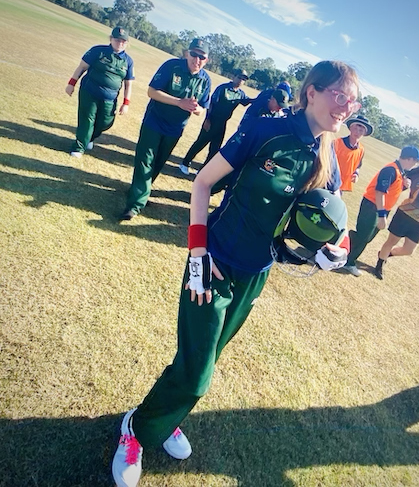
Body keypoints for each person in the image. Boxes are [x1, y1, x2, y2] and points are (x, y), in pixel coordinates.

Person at [111, 60, 361, 487]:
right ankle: (134, 431)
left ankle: (164, 416)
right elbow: (202, 184)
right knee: (197, 377)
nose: (346, 106)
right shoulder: (267, 130)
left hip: (256, 274)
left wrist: (327, 251)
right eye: (339, 94)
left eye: (352, 99)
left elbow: (327, 217)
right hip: (214, 262)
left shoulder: (329, 156)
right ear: (312, 92)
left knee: (201, 358)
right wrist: (196, 254)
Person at [119, 38, 211, 220]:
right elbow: (152, 92)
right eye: (194, 54)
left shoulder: (205, 80)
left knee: (158, 163)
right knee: (145, 160)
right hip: (155, 120)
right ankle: (135, 205)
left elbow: (202, 108)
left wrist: (195, 108)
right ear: (187, 53)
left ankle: (139, 190)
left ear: (207, 60)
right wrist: (179, 102)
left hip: (175, 128)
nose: (197, 60)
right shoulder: (172, 66)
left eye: (202, 57)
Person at [343, 146, 419, 277]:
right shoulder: (391, 170)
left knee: (366, 236)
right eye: (415, 161)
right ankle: (348, 261)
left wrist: (403, 186)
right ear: (409, 159)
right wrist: (381, 215)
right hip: (373, 206)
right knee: (364, 236)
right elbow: (379, 192)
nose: (416, 164)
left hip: (380, 208)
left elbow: (391, 190)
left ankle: (345, 250)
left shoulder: (399, 171)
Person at [65, 27, 134, 158]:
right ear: (111, 39)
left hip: (110, 98)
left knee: (105, 122)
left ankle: (90, 138)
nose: (120, 43)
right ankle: (79, 148)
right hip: (89, 91)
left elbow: (128, 84)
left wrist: (126, 103)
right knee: (87, 120)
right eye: (117, 40)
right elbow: (82, 67)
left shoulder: (128, 61)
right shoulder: (98, 51)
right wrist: (71, 84)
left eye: (123, 41)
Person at [178, 69, 252, 175]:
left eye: (243, 79)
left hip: (222, 124)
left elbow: (247, 101)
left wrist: (263, 98)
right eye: (239, 77)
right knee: (200, 143)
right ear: (234, 77)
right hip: (212, 120)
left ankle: (203, 170)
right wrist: (207, 119)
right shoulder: (223, 88)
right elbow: (211, 104)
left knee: (215, 149)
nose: (241, 81)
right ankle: (185, 163)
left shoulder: (240, 94)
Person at [334, 115, 373, 192]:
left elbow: (358, 166)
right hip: (329, 181)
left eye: (361, 131)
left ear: (364, 133)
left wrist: (356, 174)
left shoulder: (361, 149)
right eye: (355, 128)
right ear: (350, 128)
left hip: (342, 186)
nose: (357, 132)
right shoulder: (337, 143)